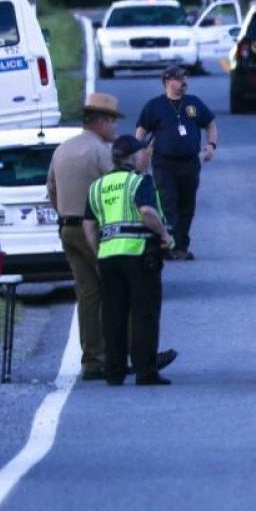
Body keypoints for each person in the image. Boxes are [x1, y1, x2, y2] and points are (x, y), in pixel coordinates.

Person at [83, 136, 175, 386]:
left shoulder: (97, 186)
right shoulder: (138, 182)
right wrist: (165, 235)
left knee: (113, 314)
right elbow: (147, 212)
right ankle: (145, 370)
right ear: (133, 157)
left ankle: (114, 371)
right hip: (139, 254)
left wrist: (98, 251)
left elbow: (89, 226)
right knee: (144, 313)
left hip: (108, 257)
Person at [46, 93, 119, 380]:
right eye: (112, 121)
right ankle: (122, 354)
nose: (114, 128)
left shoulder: (63, 149)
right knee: (116, 288)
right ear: (99, 121)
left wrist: (64, 214)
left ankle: (92, 359)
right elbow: (116, 185)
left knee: (87, 294)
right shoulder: (100, 151)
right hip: (94, 229)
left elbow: (51, 188)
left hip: (67, 227)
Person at [135, 65, 218, 260]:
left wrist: (211, 145)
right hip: (165, 164)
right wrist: (140, 153)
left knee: (187, 205)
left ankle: (182, 245)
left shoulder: (193, 103)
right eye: (179, 79)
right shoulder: (154, 106)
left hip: (189, 163)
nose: (184, 83)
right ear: (168, 81)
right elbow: (141, 131)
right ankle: (170, 244)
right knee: (168, 204)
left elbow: (210, 124)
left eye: (185, 78)